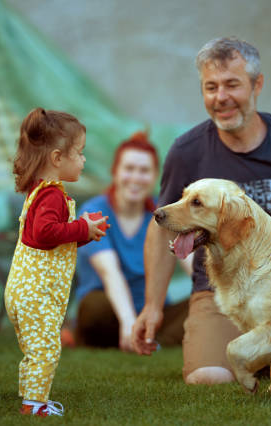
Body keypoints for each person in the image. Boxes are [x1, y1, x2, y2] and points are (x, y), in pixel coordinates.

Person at [132, 37, 271, 385]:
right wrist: (153, 306)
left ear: (257, 84)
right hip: (220, 293)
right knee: (208, 378)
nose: (221, 98)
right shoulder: (187, 151)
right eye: (211, 87)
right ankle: (254, 358)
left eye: (232, 84)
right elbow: (163, 225)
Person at [4, 107, 108, 417]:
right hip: (36, 294)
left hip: (26, 293)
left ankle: (31, 399)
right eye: (79, 152)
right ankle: (35, 406)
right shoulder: (51, 195)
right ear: (57, 159)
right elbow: (46, 232)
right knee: (46, 349)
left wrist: (85, 232)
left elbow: (52, 241)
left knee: (36, 350)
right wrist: (81, 227)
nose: (84, 160)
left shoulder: (40, 192)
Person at [70, 132, 190, 351]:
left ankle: (149, 337)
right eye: (129, 169)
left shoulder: (163, 213)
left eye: (144, 171)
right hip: (109, 314)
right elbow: (110, 273)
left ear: (154, 177)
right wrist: (128, 323)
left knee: (202, 302)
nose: (136, 177)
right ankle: (131, 335)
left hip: (153, 312)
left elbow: (192, 264)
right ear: (115, 172)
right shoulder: (94, 212)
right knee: (95, 307)